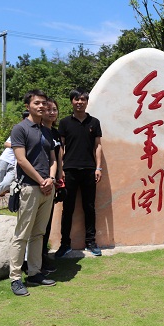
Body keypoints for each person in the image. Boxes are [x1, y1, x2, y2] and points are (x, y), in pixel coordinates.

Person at [9, 89, 57, 297]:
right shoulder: (20, 129)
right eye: (37, 103)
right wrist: (40, 180)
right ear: (27, 106)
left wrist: (51, 179)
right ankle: (15, 278)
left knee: (39, 234)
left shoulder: (46, 130)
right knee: (22, 234)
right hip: (29, 187)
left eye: (44, 103)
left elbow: (53, 159)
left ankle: (35, 272)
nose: (41, 106)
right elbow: (21, 160)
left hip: (47, 187)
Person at [55, 88, 103, 258]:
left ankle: (91, 242)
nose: (80, 102)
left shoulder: (94, 122)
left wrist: (98, 167)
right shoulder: (64, 123)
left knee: (89, 207)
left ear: (87, 102)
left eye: (83, 99)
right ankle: (65, 244)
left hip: (89, 170)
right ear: (72, 102)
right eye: (76, 99)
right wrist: (60, 169)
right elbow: (61, 147)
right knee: (67, 209)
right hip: (69, 170)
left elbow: (98, 146)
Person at [40, 98, 62, 272]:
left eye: (54, 109)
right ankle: (32, 261)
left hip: (53, 180)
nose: (52, 112)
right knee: (36, 225)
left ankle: (43, 257)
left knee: (46, 222)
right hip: (39, 181)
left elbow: (58, 157)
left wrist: (59, 177)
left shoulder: (55, 133)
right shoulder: (37, 131)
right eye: (48, 109)